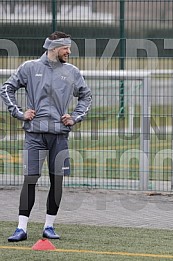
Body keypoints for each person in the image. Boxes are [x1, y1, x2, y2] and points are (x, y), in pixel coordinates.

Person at [1, 31, 92, 242]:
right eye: (65, 48)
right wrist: (20, 113)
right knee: (30, 179)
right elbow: (6, 89)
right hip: (34, 135)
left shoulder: (72, 71)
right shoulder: (29, 68)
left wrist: (75, 117)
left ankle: (49, 226)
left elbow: (86, 96)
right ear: (53, 48)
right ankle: (21, 228)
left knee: (57, 181)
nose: (69, 51)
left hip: (59, 137)